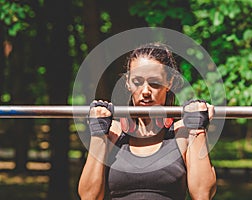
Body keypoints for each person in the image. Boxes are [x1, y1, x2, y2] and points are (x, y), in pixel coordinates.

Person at [78, 42, 216, 200]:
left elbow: (202, 195)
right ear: (127, 83)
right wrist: (97, 134)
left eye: (155, 83)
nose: (145, 92)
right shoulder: (112, 133)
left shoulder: (183, 133)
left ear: (169, 83)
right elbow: (89, 196)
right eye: (137, 82)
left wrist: (198, 129)